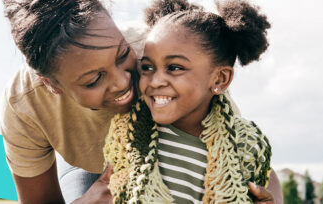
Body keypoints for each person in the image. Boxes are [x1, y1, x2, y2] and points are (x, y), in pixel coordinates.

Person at [2, 0, 279, 203]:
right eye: (93, 80)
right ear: (51, 84)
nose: (123, 82)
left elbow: (245, 166)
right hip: (88, 171)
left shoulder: (166, 56)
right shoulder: (25, 103)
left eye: (122, 55)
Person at [103, 0, 283, 203]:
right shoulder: (129, 137)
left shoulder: (243, 145)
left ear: (220, 79)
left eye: (175, 68)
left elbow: (267, 180)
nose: (156, 80)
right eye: (147, 67)